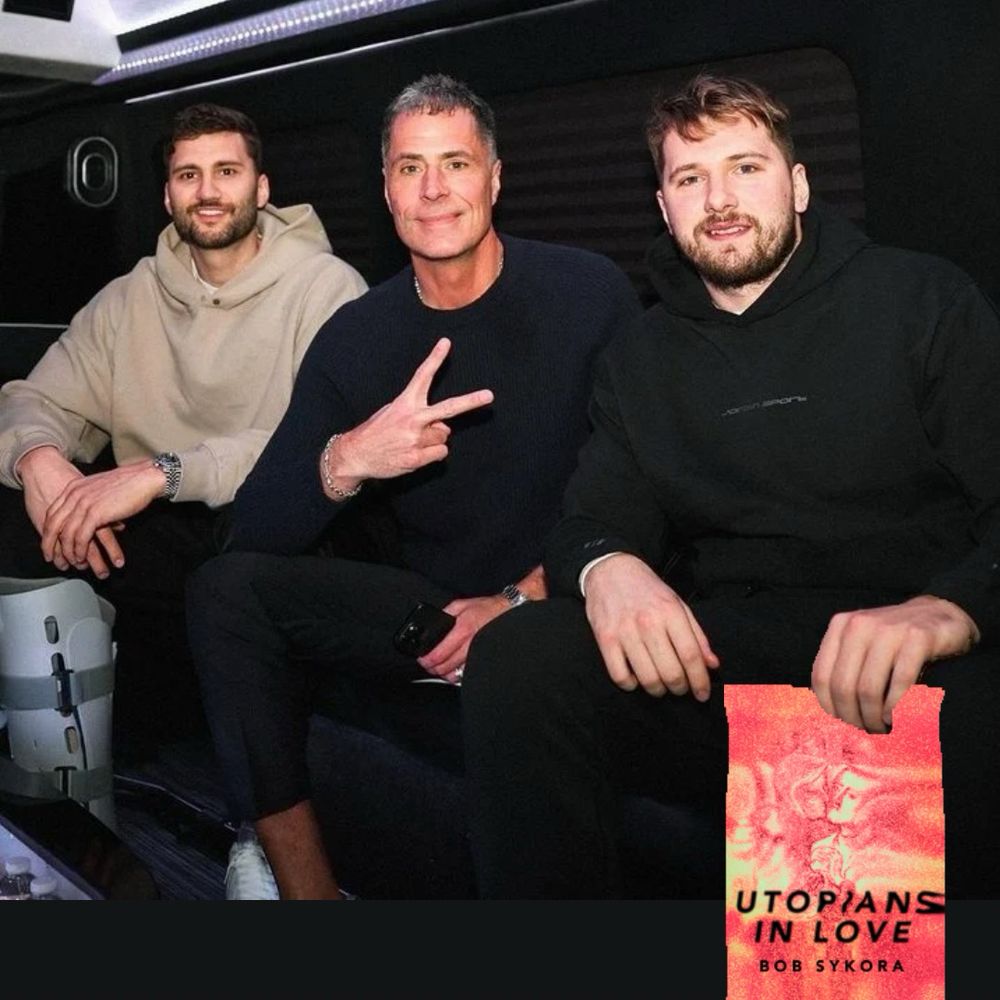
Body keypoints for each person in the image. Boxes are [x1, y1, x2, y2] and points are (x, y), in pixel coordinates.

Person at [461, 74, 1000, 898]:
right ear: (665, 205)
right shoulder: (640, 358)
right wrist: (610, 568)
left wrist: (947, 609)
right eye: (690, 178)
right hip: (733, 653)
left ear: (800, 184)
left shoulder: (921, 301)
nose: (720, 198)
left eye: (746, 168)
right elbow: (587, 522)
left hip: (907, 651)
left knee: (925, 734)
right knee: (523, 653)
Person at [185, 74, 641, 899]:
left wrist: (521, 600)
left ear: (495, 180)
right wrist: (347, 460)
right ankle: (302, 886)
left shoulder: (587, 295)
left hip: (559, 600)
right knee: (224, 590)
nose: (433, 190)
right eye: (409, 168)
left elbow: (646, 481)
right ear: (387, 189)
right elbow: (254, 530)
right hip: (426, 610)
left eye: (455, 163)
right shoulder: (358, 335)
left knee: (532, 662)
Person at [0, 103, 367, 749]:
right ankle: (52, 761)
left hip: (278, 528)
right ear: (168, 196)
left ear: (261, 187)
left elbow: (319, 445)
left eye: (226, 171)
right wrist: (42, 463)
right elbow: (36, 398)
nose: (207, 192)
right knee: (21, 516)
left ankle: (266, 811)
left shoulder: (325, 288)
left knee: (239, 569)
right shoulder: (128, 297)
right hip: (159, 531)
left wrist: (157, 473)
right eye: (188, 175)